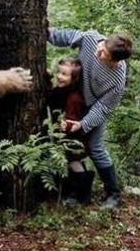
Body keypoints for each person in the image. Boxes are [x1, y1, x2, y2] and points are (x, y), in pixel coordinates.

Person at [48, 28, 133, 209]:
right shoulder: (92, 40)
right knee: (69, 148)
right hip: (75, 100)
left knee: (95, 148)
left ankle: (113, 194)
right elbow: (68, 36)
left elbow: (104, 108)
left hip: (94, 109)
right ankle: (78, 191)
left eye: (104, 54)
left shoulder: (117, 79)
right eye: (102, 47)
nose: (98, 52)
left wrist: (83, 124)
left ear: (114, 61)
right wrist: (45, 33)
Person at [46, 57, 94, 204]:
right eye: (59, 72)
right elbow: (51, 98)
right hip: (68, 136)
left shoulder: (74, 97)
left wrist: (64, 124)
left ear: (74, 78)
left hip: (75, 137)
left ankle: (84, 195)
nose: (59, 77)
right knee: (71, 162)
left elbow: (74, 118)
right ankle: (75, 190)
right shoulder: (62, 90)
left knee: (74, 162)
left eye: (64, 74)